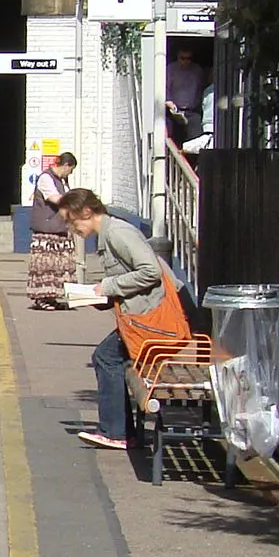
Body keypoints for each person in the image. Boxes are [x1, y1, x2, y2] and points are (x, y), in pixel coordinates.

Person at [60, 185, 187, 451]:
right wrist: (101, 297)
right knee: (107, 357)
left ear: (86, 211)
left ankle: (116, 432)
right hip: (140, 316)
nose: (72, 230)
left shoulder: (117, 233)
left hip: (151, 318)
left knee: (106, 358)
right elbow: (132, 278)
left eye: (72, 222)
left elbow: (150, 271)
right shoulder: (109, 234)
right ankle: (119, 431)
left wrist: (107, 288)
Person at [25, 151, 79, 309]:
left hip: (59, 229)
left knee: (59, 266)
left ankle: (52, 296)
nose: (70, 173)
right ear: (66, 165)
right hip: (47, 230)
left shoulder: (62, 181)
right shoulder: (46, 178)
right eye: (71, 169)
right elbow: (54, 198)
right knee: (46, 265)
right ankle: (41, 297)